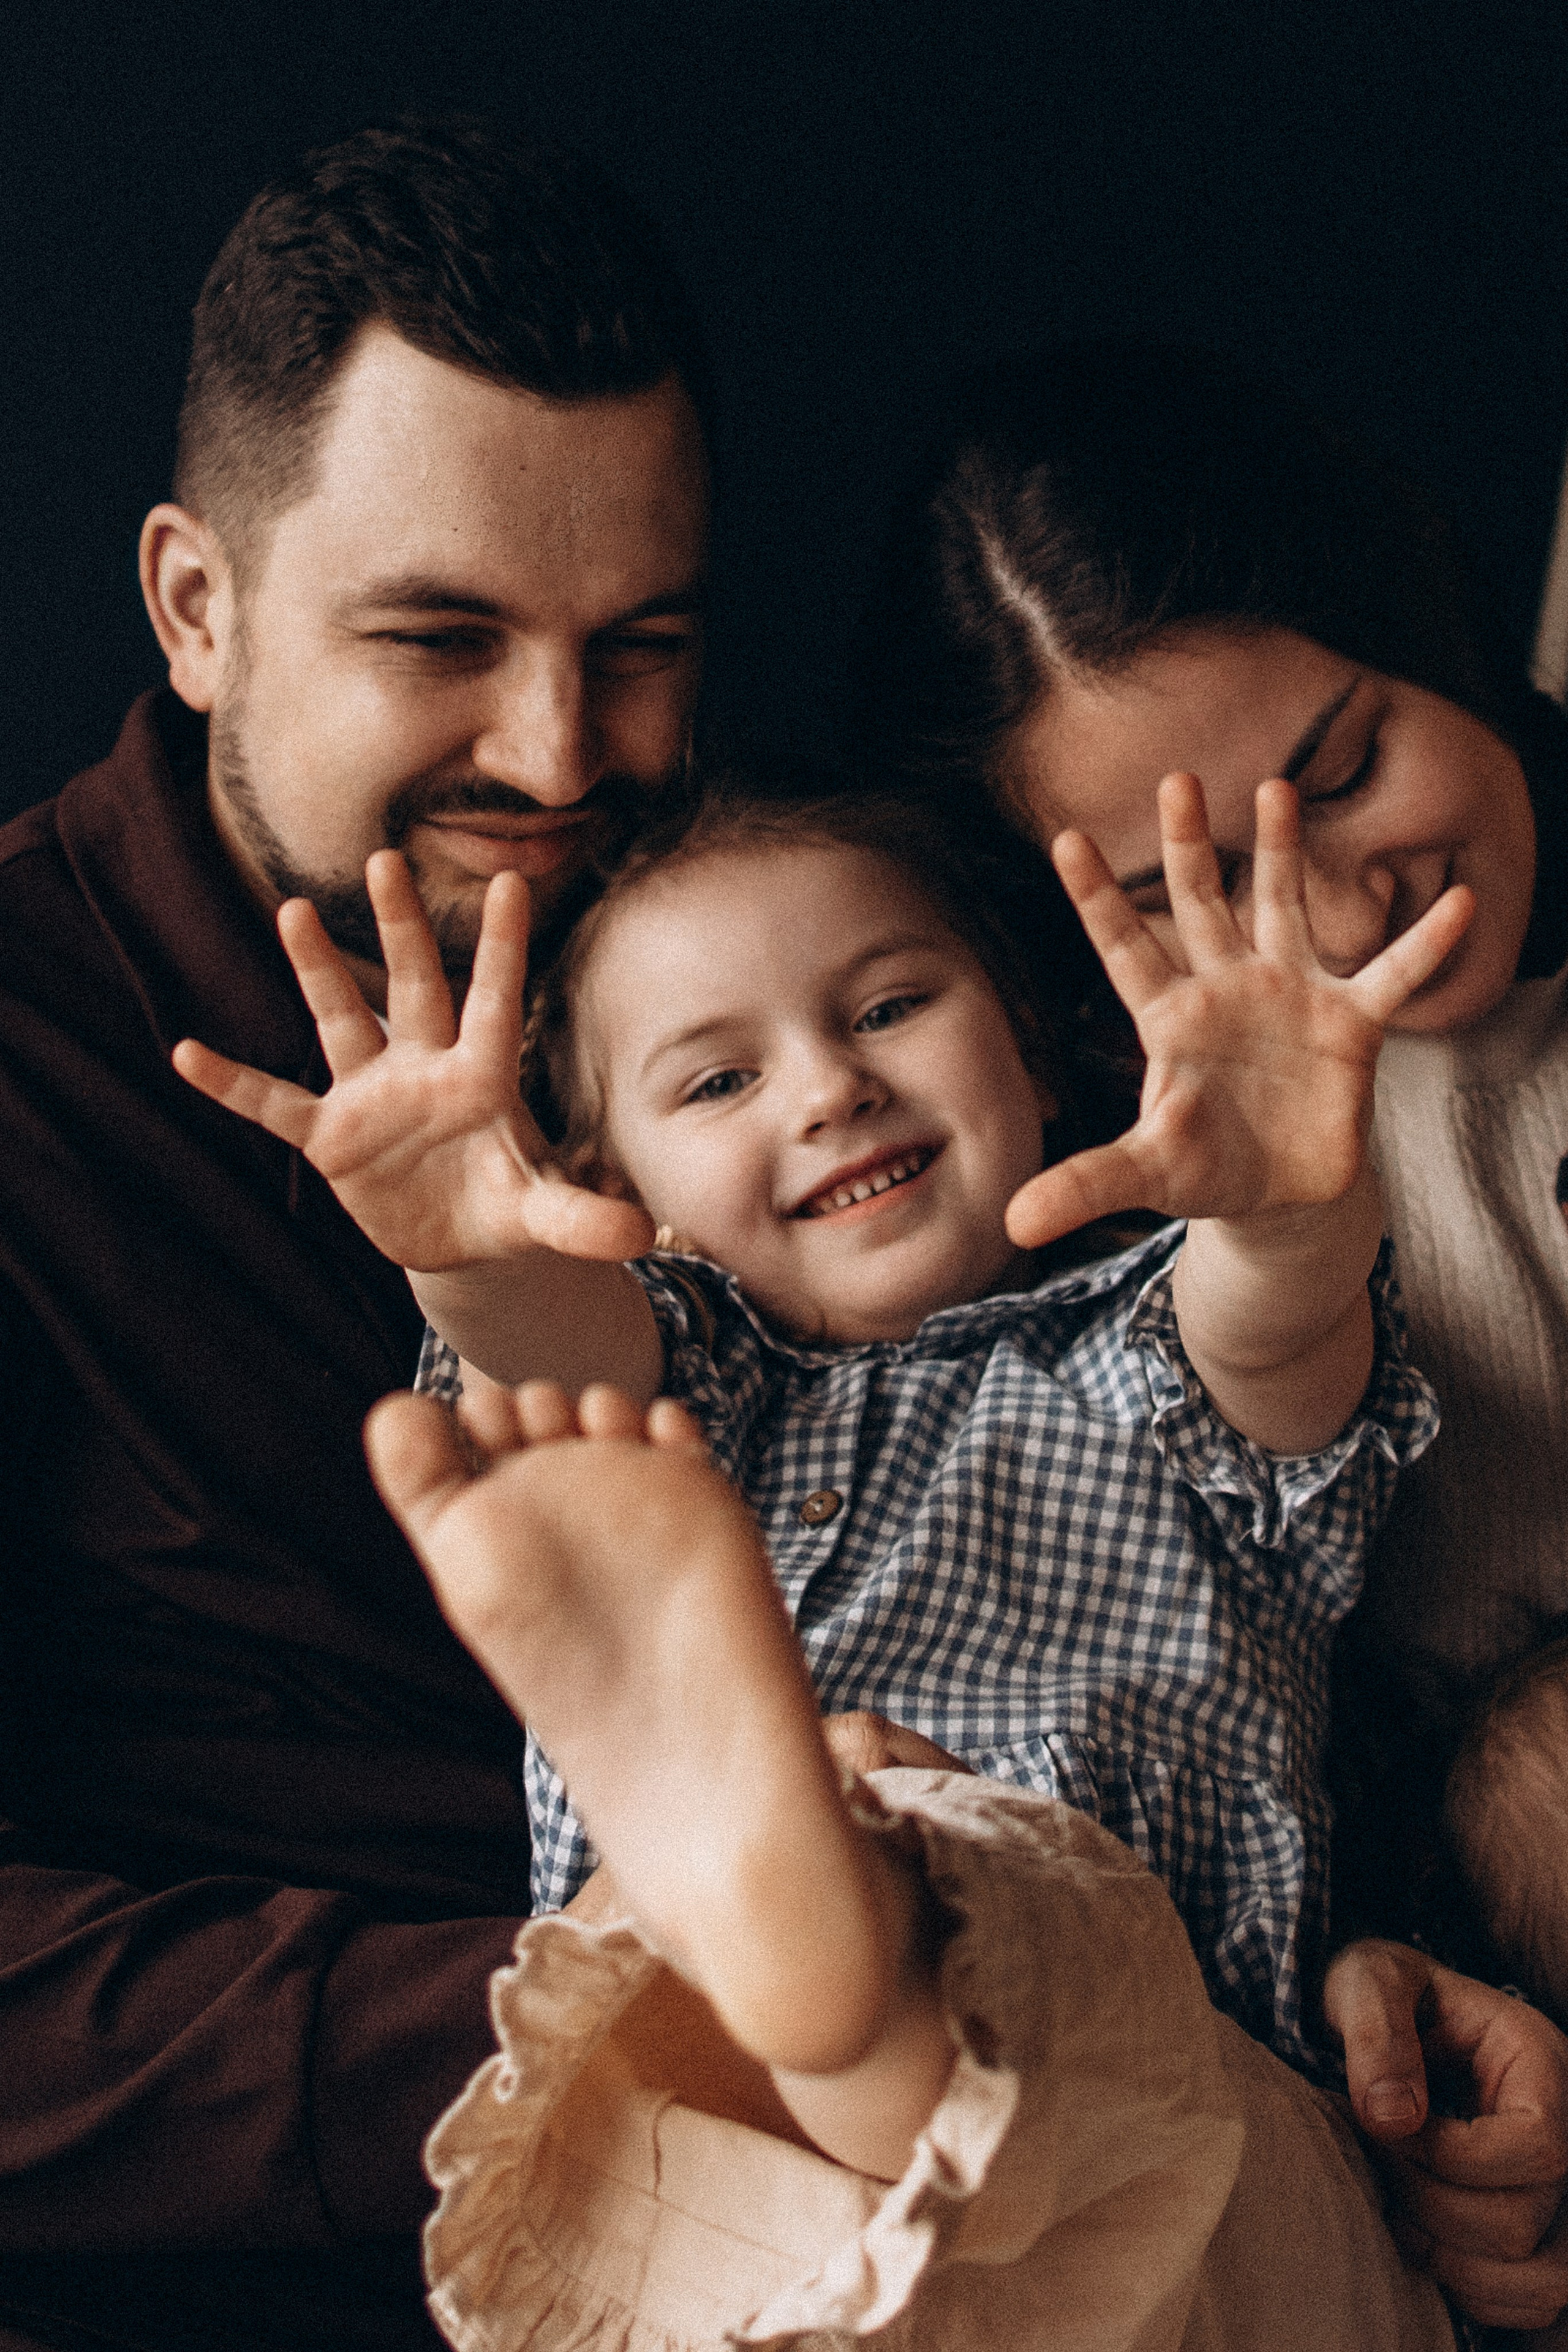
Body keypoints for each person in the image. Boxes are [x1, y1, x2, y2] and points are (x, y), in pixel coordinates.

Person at [179, 749, 1468, 2346]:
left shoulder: (1157, 1358)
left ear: (1036, 1054)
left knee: (988, 1911)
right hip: (757, 2217)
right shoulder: (676, 1410)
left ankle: (839, 1929)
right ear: (608, 1187)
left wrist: (1284, 1203)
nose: (825, 1087)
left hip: (1179, 2148)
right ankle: (809, 1930)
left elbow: (1279, 1324)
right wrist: (466, 1252)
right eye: (716, 1083)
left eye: (885, 1009)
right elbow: (554, 1347)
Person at [0, 117, 709, 2352]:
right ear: (197, 609)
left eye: (642, 642)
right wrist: (605, 2033)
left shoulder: (776, 973)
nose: (560, 748)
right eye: (443, 636)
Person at [848, 334, 1568, 2332]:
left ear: (1420, 617)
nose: (1336, 913)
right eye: (1201, 895)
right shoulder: (1150, 1245)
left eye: (1342, 766)